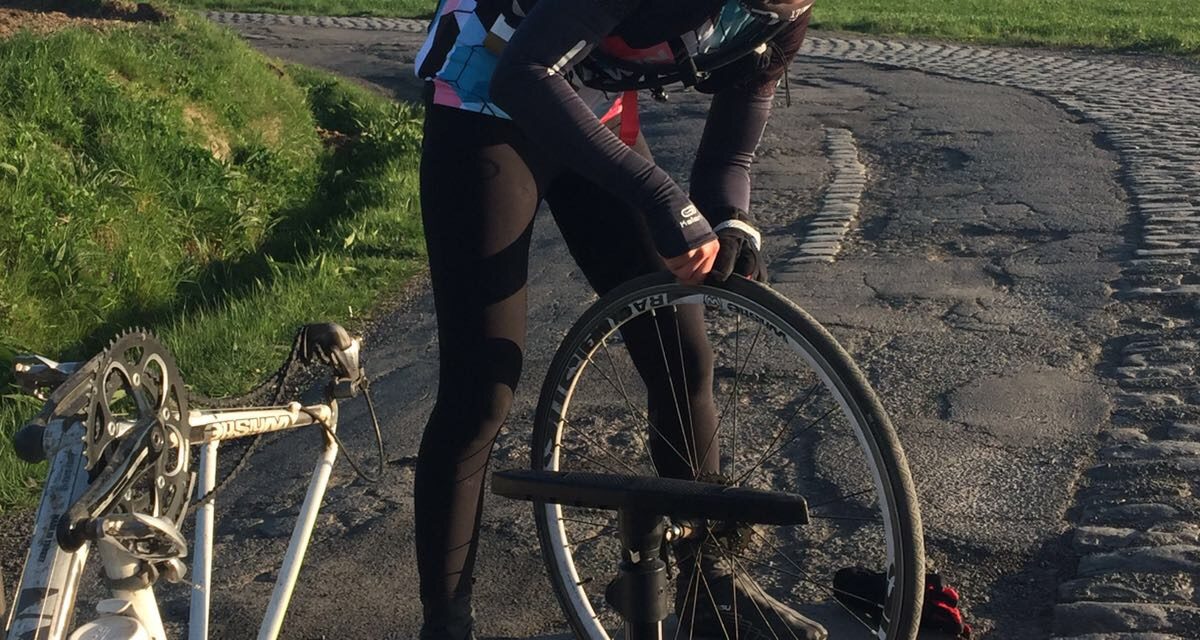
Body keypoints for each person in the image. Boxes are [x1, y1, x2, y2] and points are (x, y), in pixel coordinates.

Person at [412, 1, 821, 638]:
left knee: (682, 359)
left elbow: (731, 154)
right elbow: (521, 73)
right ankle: (446, 621)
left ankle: (709, 587)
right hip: (485, 97)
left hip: (581, 97)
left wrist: (728, 219)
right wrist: (662, 198)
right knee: (481, 390)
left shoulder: (780, 16)